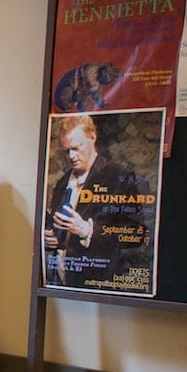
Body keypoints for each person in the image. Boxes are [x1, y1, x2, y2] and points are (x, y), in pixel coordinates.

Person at [42, 114, 142, 288]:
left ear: (92, 137)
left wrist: (88, 231)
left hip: (98, 283)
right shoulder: (63, 181)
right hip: (61, 282)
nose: (71, 156)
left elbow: (136, 233)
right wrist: (51, 239)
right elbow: (58, 230)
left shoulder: (118, 176)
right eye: (66, 151)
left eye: (76, 147)